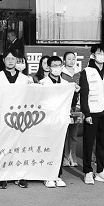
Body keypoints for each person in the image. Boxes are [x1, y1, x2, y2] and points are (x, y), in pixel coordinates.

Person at [78, 44, 104, 185]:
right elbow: (84, 95)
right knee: (88, 143)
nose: (102, 56)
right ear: (93, 55)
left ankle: (101, 171)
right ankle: (88, 171)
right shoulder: (86, 72)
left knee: (103, 143)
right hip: (92, 113)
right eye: (99, 53)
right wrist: (86, 113)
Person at [0, 50, 30, 189]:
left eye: (13, 58)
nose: (10, 61)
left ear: (17, 61)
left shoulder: (25, 79)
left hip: (20, 119)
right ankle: (2, 176)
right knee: (3, 147)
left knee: (19, 147)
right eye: (8, 58)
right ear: (3, 60)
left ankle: (19, 175)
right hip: (2, 117)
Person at [39, 55, 68, 189]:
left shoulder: (66, 84)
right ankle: (47, 175)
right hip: (47, 121)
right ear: (49, 67)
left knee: (60, 147)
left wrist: (76, 91)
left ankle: (57, 175)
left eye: (59, 66)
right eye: (54, 66)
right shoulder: (43, 83)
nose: (57, 68)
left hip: (61, 121)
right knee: (47, 147)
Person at [60, 51, 81, 167]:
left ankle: (73, 156)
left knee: (74, 134)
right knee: (65, 133)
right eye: (69, 59)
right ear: (64, 60)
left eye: (73, 59)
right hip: (65, 106)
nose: (71, 61)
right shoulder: (61, 73)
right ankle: (65, 157)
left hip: (76, 106)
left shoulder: (79, 73)